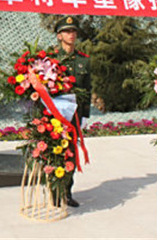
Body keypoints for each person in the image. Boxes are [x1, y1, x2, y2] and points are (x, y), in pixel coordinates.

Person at [54, 15, 91, 208]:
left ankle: (67, 192)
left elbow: (87, 90)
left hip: (74, 115)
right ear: (59, 36)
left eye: (74, 31)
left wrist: (85, 115)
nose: (71, 34)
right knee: (53, 151)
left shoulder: (83, 61)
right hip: (54, 115)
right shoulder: (50, 59)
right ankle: (54, 191)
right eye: (67, 31)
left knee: (70, 153)